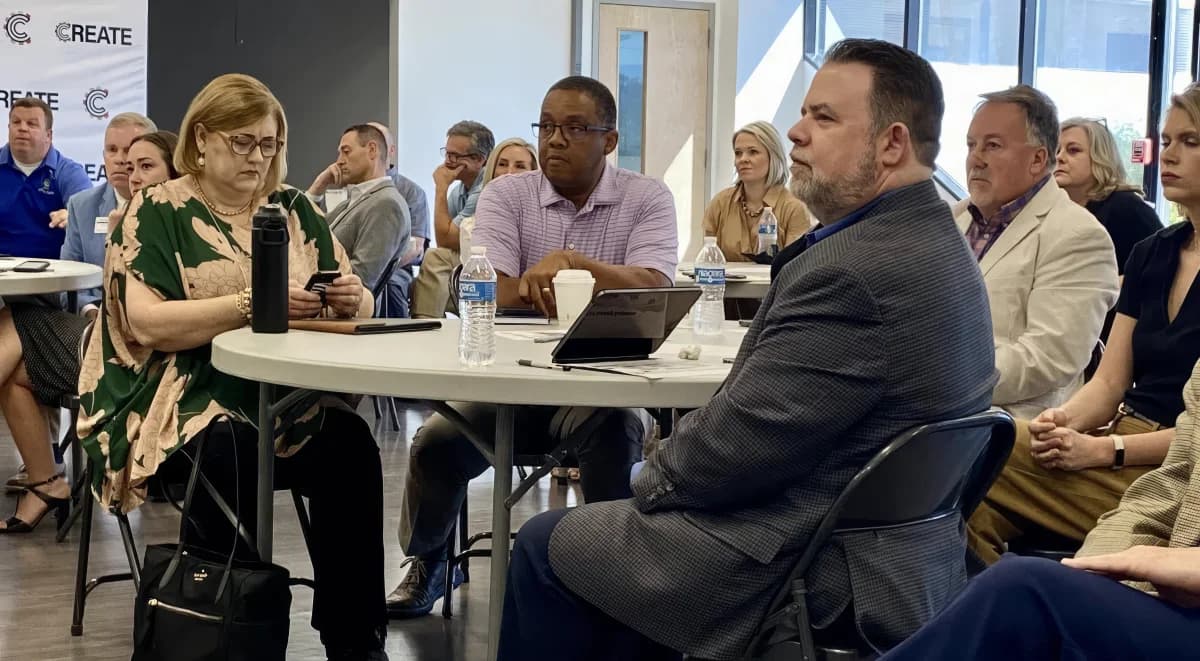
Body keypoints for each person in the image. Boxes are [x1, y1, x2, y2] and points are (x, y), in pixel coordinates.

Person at [498, 40, 997, 660]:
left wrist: (648, 477)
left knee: (548, 543)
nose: (795, 131)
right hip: (905, 556)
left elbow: (734, 450)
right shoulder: (936, 243)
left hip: (807, 562)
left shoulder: (855, 272)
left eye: (823, 117)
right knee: (617, 534)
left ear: (892, 143)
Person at [77, 74, 387, 661]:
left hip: (284, 397)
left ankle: (355, 639)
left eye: (268, 144)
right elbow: (146, 323)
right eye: (242, 142)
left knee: (351, 445)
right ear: (200, 140)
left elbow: (357, 294)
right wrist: (251, 303)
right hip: (178, 391)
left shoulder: (293, 208)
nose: (257, 156)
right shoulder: (159, 208)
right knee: (230, 450)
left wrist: (354, 297)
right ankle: (222, 634)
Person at [386, 76, 674, 620]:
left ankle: (611, 582)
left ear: (609, 141)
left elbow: (655, 287)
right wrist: (570, 286)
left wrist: (573, 265)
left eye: (574, 128)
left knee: (618, 432)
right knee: (436, 442)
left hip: (601, 387)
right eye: (547, 127)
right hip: (507, 386)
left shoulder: (646, 197)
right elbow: (486, 286)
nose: (555, 140)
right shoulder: (507, 194)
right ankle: (432, 562)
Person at [966, 83, 1200, 564]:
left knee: (969, 448)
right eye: (1168, 140)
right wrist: (1063, 422)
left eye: (1190, 142)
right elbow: (1110, 381)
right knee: (966, 499)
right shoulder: (1153, 252)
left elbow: (1194, 435)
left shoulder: (1098, 229)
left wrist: (1106, 450)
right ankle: (987, 627)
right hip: (1114, 438)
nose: (1170, 154)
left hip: (1174, 467)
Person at [881, 358, 1200, 660]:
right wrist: (1094, 575)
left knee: (1021, 586)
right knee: (973, 507)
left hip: (1132, 454)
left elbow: (1049, 359)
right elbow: (1165, 491)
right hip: (1116, 438)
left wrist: (1108, 449)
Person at [0, 129, 177, 532]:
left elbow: (144, 306)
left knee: (14, 322)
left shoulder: (171, 223)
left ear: (175, 172)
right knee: (12, 368)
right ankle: (47, 482)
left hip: (135, 358)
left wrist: (120, 241)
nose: (133, 175)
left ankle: (47, 482)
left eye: (146, 167)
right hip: (103, 333)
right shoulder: (127, 214)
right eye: (129, 167)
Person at [953, 86, 1119, 420]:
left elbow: (1049, 359)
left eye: (993, 146)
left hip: (1005, 425)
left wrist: (938, 377)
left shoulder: (1079, 236)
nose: (977, 158)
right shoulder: (952, 219)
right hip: (925, 410)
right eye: (972, 145)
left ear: (1038, 159)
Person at [62, 112, 157, 315]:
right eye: (112, 150)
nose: (120, 160)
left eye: (129, 150)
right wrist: (90, 310)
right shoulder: (81, 206)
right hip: (95, 315)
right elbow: (67, 281)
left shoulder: (174, 205)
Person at [306, 124, 411, 307]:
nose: (339, 161)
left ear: (372, 150)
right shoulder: (355, 201)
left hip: (337, 316)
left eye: (346, 152)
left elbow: (360, 280)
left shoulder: (386, 204)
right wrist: (318, 186)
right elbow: (307, 229)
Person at [409, 120, 494, 318]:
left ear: (479, 159)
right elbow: (447, 240)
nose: (447, 162)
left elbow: (446, 238)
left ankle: (426, 326)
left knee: (434, 259)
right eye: (447, 153)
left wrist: (440, 187)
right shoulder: (460, 190)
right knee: (419, 284)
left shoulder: (486, 188)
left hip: (489, 263)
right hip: (468, 262)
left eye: (455, 156)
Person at [1055, 117, 1161, 275]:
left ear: (1100, 156)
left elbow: (1164, 267)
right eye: (1056, 150)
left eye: (1073, 150)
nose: (1059, 157)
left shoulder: (1126, 207)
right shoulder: (1053, 209)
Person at [702, 120, 810, 261]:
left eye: (753, 152)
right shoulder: (720, 203)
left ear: (773, 157)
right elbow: (708, 259)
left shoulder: (794, 207)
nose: (743, 159)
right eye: (738, 153)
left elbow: (795, 266)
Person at [1, 97, 92, 258]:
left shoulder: (69, 172)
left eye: (31, 124)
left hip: (53, 271)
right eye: (16, 122)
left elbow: (90, 216)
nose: (22, 128)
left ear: (48, 135)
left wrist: (73, 217)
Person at [368, 121, 429, 316]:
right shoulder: (346, 189)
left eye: (378, 146)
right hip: (352, 267)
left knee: (389, 285)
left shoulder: (412, 192)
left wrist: (378, 268)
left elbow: (416, 248)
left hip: (396, 269)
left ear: (390, 150)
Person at [457, 137, 539, 256]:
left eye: (520, 166)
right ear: (492, 170)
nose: (509, 172)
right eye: (502, 164)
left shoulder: (546, 224)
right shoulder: (470, 228)